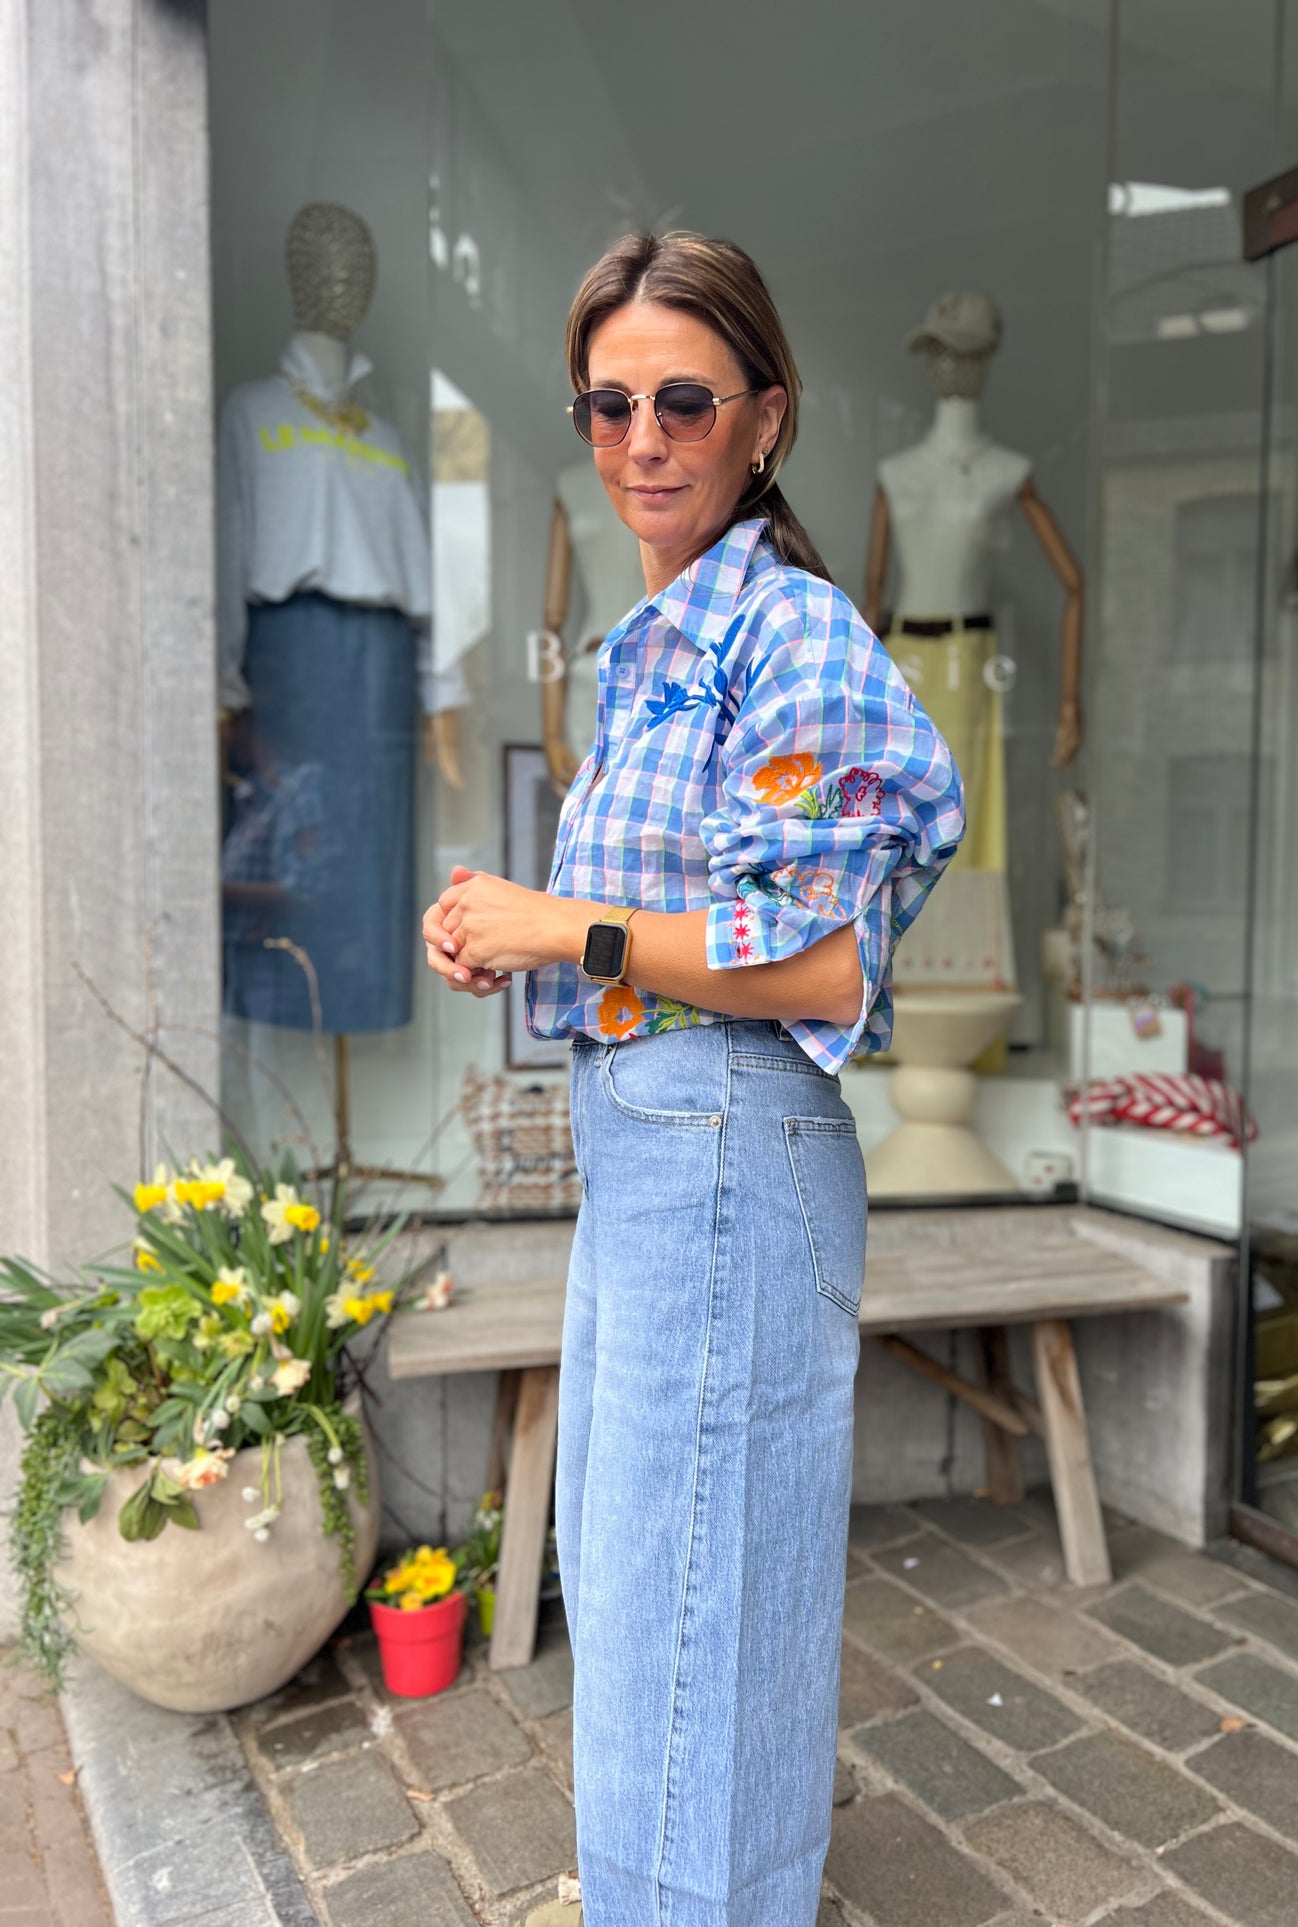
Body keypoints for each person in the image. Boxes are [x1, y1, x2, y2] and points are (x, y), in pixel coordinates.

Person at [421, 231, 963, 1927]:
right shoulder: (670, 638)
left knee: (693, 1598)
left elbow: (815, 963)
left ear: (764, 418)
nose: (639, 436)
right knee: (655, 1582)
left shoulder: (782, 627)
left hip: (721, 1131)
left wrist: (556, 926)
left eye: (680, 399)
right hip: (661, 1137)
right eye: (605, 403)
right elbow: (657, 928)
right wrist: (514, 935)